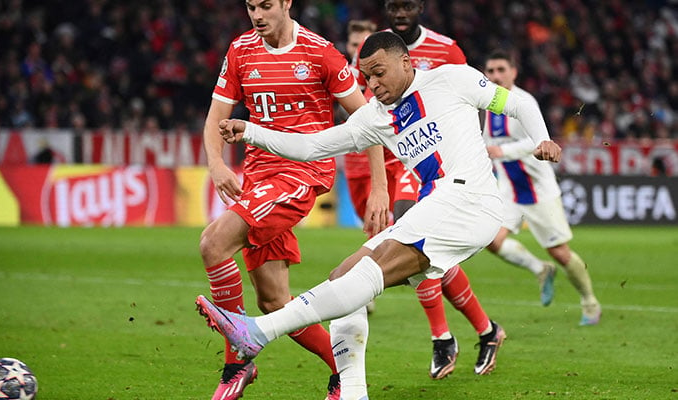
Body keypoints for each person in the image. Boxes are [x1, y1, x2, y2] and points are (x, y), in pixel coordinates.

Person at [196, 31, 561, 400]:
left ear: (406, 62)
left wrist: (542, 138)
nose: (372, 84)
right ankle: (352, 392)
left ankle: (259, 332)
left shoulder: (453, 77)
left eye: (379, 73)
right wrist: (252, 131)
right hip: (438, 204)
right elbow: (312, 146)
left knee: (370, 273)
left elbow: (517, 105)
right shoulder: (375, 116)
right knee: (344, 276)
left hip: (471, 198)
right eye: (366, 76)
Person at [198, 0, 390, 398]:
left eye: (265, 5)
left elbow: (368, 119)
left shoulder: (320, 52)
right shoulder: (240, 50)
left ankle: (236, 365)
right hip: (257, 179)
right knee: (274, 302)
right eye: (251, 6)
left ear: (286, 3)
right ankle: (344, 374)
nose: (256, 14)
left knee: (214, 243)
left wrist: (380, 186)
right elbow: (217, 114)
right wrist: (216, 164)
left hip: (301, 175)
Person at [347, 0, 498, 381]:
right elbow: (366, 117)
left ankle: (441, 336)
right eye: (393, 6)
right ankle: (485, 329)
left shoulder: (446, 50)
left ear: (420, 8)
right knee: (421, 252)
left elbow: (471, 102)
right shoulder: (372, 57)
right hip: (380, 160)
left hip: (427, 164)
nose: (400, 12)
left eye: (407, 5)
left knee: (414, 240)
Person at [482, 49, 602, 325]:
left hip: (539, 190)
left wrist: (502, 150)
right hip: (510, 191)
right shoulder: (484, 106)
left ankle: (590, 301)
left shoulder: (524, 102)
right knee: (491, 239)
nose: (496, 76)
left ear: (514, 72)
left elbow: (537, 141)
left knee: (560, 251)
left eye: (501, 70)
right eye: (490, 71)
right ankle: (540, 269)